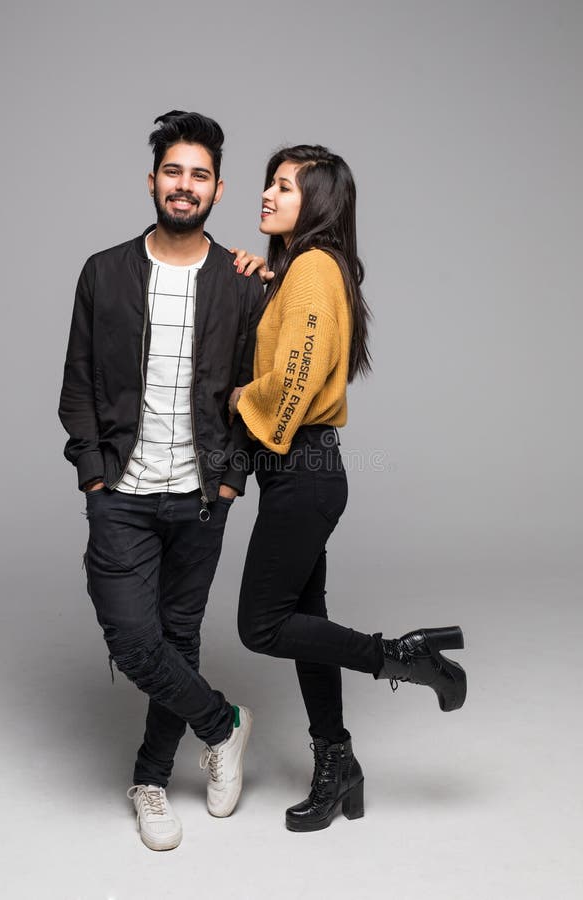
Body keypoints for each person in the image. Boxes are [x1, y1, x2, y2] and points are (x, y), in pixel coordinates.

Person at [228, 145, 467, 833]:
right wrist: (258, 278)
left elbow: (294, 379)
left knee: (261, 626)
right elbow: (293, 341)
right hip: (301, 475)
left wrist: (240, 396)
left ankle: (403, 657)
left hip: (302, 472)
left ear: (318, 202)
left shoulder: (309, 267)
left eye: (283, 187)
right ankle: (339, 765)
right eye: (268, 184)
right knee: (307, 629)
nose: (267, 195)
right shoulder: (302, 270)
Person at [58, 110, 264, 850]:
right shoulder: (104, 271)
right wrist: (93, 477)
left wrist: (233, 480)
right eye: (173, 171)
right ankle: (224, 725)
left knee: (179, 640)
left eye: (199, 175)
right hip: (123, 494)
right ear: (153, 181)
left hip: (202, 499)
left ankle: (150, 779)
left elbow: (260, 392)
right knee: (134, 638)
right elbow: (78, 382)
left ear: (217, 189)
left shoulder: (243, 284)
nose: (185, 185)